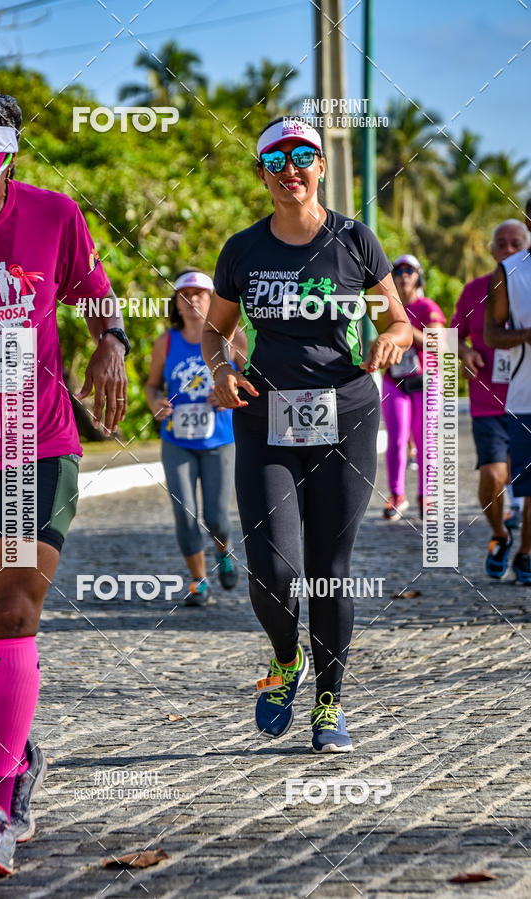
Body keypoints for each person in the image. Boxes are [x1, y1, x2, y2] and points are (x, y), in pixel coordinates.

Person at [0, 85, 129, 875]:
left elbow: (95, 293)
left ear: (10, 161)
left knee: (11, 606)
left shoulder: (54, 215)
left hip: (32, 446)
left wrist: (110, 342)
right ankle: (21, 754)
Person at [202, 116, 412, 752]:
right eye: (276, 159)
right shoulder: (242, 250)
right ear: (262, 172)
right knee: (272, 567)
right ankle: (285, 658)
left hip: (346, 416)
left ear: (321, 165)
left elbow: (399, 325)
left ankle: (330, 702)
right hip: (266, 417)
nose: (290, 169)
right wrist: (219, 370)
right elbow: (215, 330)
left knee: (329, 569)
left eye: (303, 156)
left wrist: (389, 340)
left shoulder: (354, 240)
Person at [146, 268, 245, 604]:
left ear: (212, 298)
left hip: (220, 439)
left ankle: (224, 549)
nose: (192, 301)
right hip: (177, 441)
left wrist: (227, 392)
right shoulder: (166, 341)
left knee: (216, 517)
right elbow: (152, 385)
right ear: (176, 303)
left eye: (199, 294)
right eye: (184, 296)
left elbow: (250, 381)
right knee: (184, 513)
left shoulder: (233, 338)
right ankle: (200, 582)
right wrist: (155, 403)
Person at [451, 219, 530, 577]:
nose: (508, 248)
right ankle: (500, 534)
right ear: (492, 250)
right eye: (502, 242)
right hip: (489, 401)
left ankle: (526, 553)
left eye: (516, 243)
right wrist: (464, 353)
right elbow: (452, 334)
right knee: (494, 476)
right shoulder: (475, 290)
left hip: (526, 399)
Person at [381, 254, 445, 519]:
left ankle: (425, 497)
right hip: (395, 379)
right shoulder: (386, 306)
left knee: (425, 439)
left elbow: (439, 345)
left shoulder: (427, 306)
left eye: (409, 270)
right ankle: (397, 496)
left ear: (418, 276)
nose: (404, 275)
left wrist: (405, 330)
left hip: (426, 380)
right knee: (396, 440)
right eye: (398, 271)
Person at [485, 233, 531, 584]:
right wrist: (526, 334)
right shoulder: (510, 272)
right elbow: (491, 334)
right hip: (524, 397)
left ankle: (525, 551)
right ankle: (521, 551)